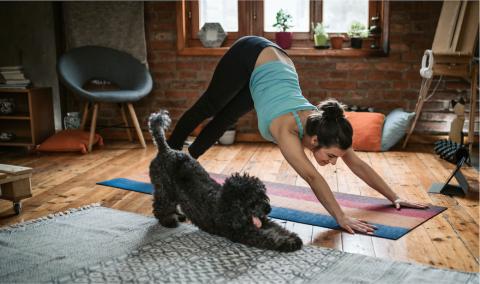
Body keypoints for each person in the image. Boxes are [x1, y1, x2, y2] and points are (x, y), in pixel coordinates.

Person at [167, 36, 428, 234]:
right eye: (332, 156)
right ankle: (169, 153)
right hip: (251, 53)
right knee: (211, 107)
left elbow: (357, 163)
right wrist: (341, 217)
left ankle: (188, 158)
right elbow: (312, 177)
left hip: (274, 66)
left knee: (225, 118)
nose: (334, 162)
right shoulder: (286, 129)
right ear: (315, 141)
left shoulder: (328, 129)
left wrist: (394, 196)